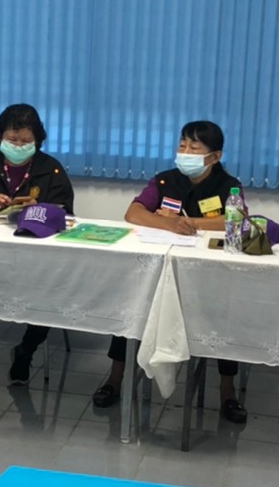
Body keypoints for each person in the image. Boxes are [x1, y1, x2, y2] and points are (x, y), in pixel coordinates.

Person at [94, 121, 246, 423]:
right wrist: (168, 223)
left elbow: (237, 221)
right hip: (160, 269)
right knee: (131, 302)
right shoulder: (165, 180)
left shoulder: (228, 185)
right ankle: (115, 378)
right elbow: (133, 213)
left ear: (215, 156)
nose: (185, 152)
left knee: (224, 315)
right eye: (182, 145)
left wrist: (190, 223)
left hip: (208, 276)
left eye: (194, 148)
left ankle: (227, 390)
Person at [0, 103, 76, 386]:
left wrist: (38, 211)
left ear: (37, 140)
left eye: (25, 140)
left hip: (37, 258)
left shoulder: (51, 170)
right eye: (12, 139)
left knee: (50, 292)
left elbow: (67, 215)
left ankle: (26, 350)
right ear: (0, 137)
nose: (18, 146)